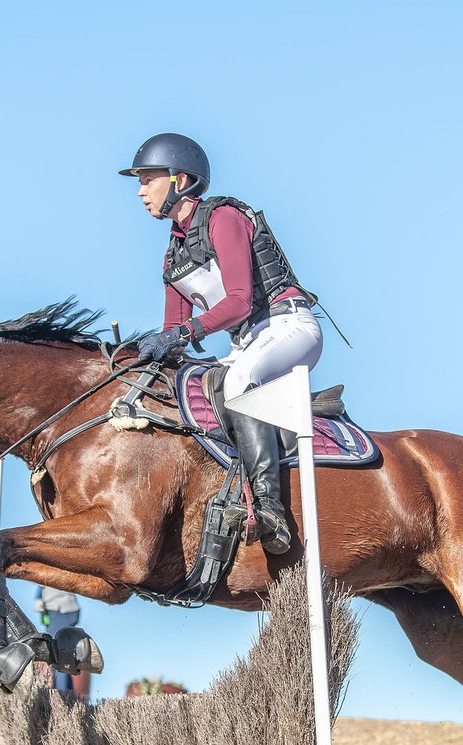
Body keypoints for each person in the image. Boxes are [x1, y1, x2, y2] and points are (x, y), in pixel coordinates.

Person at [120, 132, 322, 556]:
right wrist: (142, 358)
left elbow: (239, 301)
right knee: (197, 387)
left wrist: (183, 333)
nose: (140, 191)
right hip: (247, 342)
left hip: (288, 326)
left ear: (179, 180)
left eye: (147, 180)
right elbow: (174, 329)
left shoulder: (223, 217)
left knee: (239, 381)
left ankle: (270, 509)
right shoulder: (173, 253)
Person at [33, 585, 80, 693]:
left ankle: (61, 692)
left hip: (58, 610)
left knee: (59, 655)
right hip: (61, 610)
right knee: (62, 654)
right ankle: (67, 692)